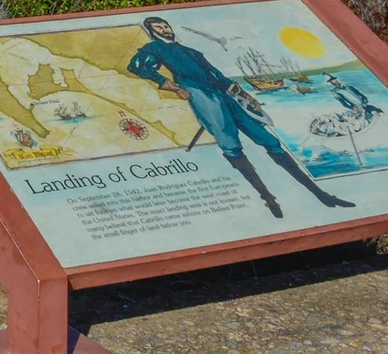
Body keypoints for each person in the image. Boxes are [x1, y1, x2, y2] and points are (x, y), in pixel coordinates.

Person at [126, 16, 354, 218]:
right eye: (159, 27)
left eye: (165, 25)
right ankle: (268, 198)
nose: (165, 29)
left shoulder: (190, 51)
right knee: (231, 145)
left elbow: (219, 75)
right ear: (152, 31)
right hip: (203, 96)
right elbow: (136, 67)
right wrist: (173, 87)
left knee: (269, 140)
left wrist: (244, 95)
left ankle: (321, 195)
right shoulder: (154, 49)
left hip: (225, 95)